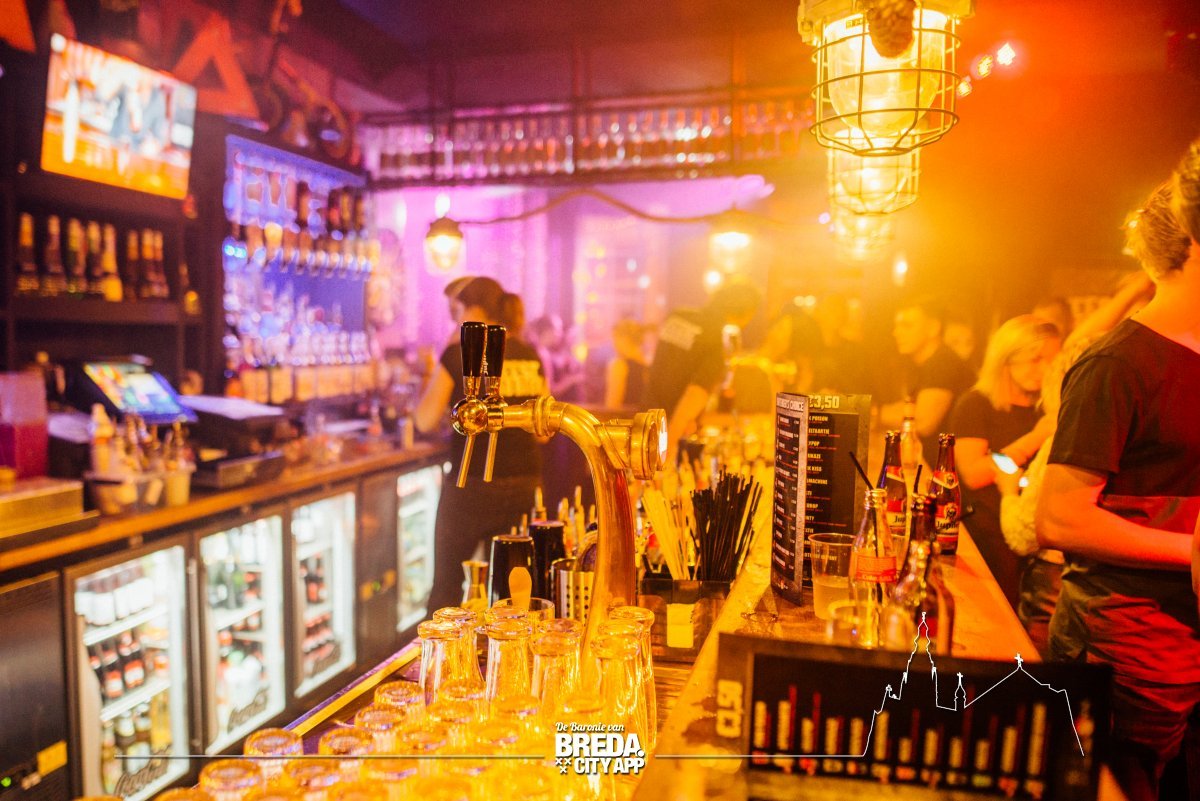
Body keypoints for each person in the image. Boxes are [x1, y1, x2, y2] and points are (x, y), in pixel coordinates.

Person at [1037, 163, 1200, 801]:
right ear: (1191, 245)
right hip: (1127, 643)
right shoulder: (1117, 362)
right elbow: (1060, 517)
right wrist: (1191, 549)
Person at [998, 274, 1155, 657]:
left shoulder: (1069, 433)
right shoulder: (1131, 427)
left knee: (1040, 676)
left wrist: (1008, 491)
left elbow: (1023, 533)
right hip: (1122, 600)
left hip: (1056, 581)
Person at [413, 276, 547, 612]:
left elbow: (424, 419)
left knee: (447, 586)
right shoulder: (529, 354)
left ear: (472, 310)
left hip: (471, 484)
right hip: (522, 483)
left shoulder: (460, 353)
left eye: (457, 311)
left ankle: (443, 645)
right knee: (510, 591)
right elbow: (544, 430)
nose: (455, 320)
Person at [947, 315, 1061, 608]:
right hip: (988, 537)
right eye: (1035, 359)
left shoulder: (1047, 408)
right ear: (1007, 358)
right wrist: (1035, 438)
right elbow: (974, 472)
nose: (1045, 369)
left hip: (1033, 540)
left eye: (1052, 361)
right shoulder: (976, 404)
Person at [646, 278, 761, 464]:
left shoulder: (677, 316)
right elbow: (694, 395)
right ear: (746, 314)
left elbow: (662, 368)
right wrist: (664, 453)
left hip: (643, 420)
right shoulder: (721, 338)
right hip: (670, 434)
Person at [879, 296, 975, 462]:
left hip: (950, 470)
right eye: (896, 326)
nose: (896, 332)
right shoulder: (925, 364)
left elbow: (923, 422)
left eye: (906, 325)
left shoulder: (942, 362)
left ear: (933, 328)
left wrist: (873, 415)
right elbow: (910, 406)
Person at [604, 319, 650, 409]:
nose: (613, 344)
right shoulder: (647, 367)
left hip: (623, 417)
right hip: (642, 417)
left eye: (614, 338)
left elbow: (612, 405)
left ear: (623, 339)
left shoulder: (619, 366)